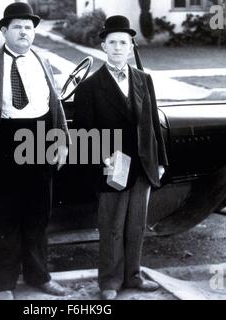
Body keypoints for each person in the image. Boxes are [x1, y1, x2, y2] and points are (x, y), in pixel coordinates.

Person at [0, 2, 70, 300]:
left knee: (38, 213)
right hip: (3, 142)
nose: (24, 32)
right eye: (18, 27)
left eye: (29, 27)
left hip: (40, 140)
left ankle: (38, 276)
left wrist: (61, 142)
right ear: (4, 30)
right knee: (3, 215)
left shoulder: (42, 60)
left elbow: (55, 104)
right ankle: (3, 285)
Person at [73, 16, 169, 300]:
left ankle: (134, 276)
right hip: (112, 165)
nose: (117, 48)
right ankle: (110, 282)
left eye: (123, 43)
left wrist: (160, 161)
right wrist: (102, 160)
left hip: (142, 164)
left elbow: (152, 123)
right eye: (112, 42)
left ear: (130, 47)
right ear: (103, 46)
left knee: (136, 225)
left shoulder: (143, 79)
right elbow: (82, 134)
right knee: (112, 227)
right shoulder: (90, 87)